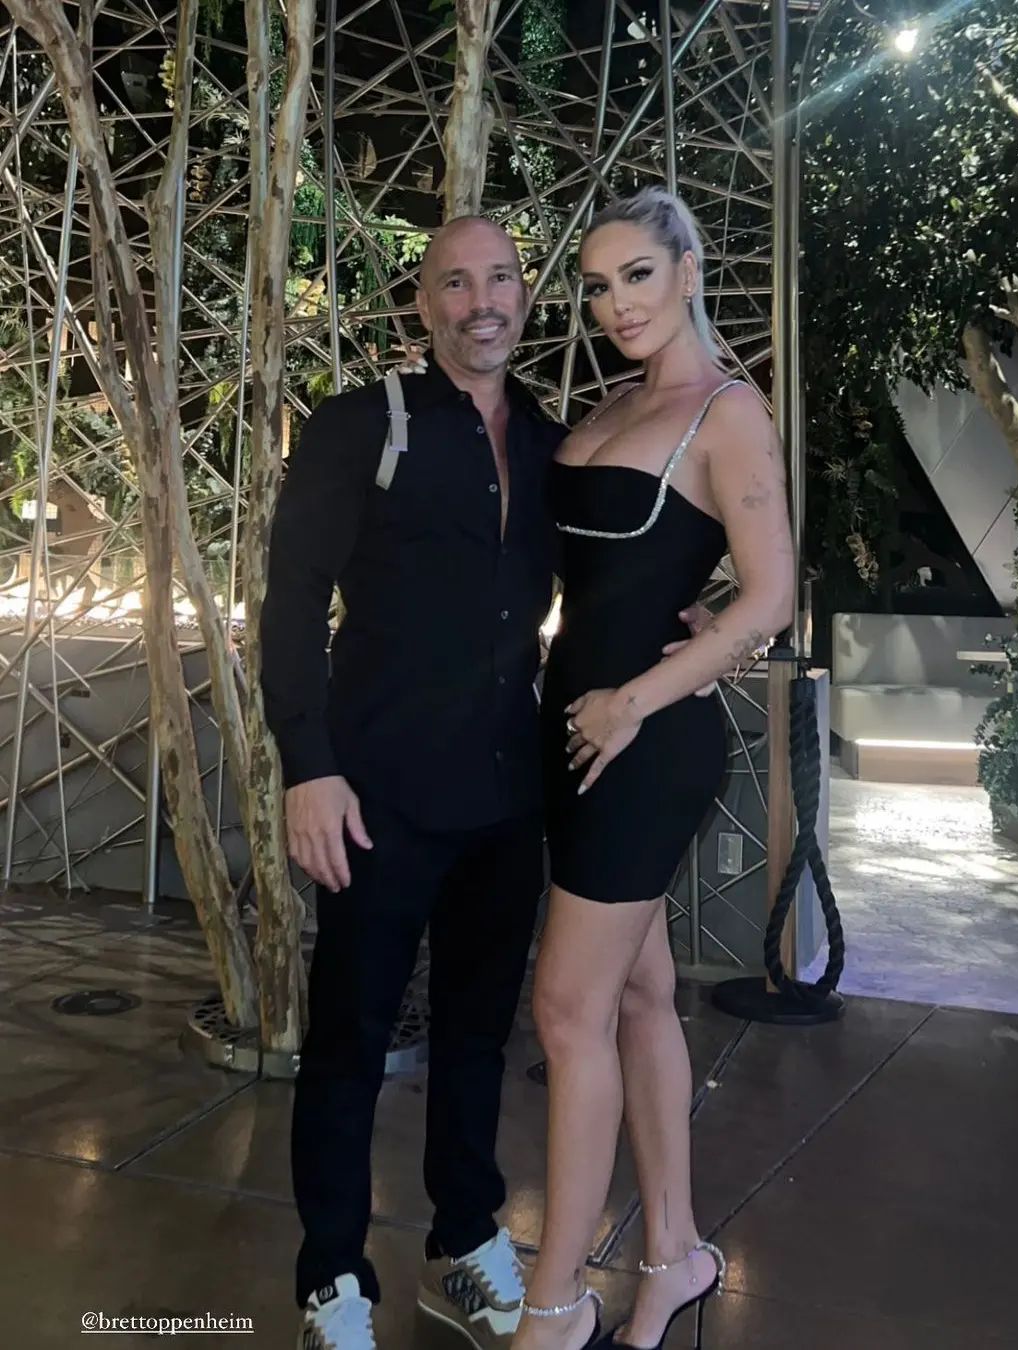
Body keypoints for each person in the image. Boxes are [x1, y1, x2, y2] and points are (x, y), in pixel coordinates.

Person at [260, 216, 565, 1350]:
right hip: (376, 794)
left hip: (507, 793)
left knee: (479, 1038)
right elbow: (291, 602)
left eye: (500, 279)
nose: (482, 302)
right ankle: (332, 1280)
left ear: (523, 294)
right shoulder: (362, 424)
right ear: (425, 303)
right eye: (456, 283)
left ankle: (464, 1241)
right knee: (348, 1039)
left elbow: (599, 578)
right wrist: (310, 768)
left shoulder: (549, 440)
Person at [512, 187, 795, 1350]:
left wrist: (634, 699)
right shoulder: (610, 407)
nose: (616, 302)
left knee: (565, 1007)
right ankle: (671, 1255)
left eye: (637, 274)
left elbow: (770, 597)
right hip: (570, 729)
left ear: (688, 271)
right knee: (633, 997)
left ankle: (554, 1304)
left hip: (645, 743)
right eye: (597, 284)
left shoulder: (728, 411)